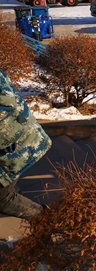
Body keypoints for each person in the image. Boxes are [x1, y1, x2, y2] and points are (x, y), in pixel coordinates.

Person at [0, 69, 52, 219]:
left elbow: (5, 108)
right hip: (12, 142)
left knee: (4, 200)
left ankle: (48, 220)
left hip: (16, 145)